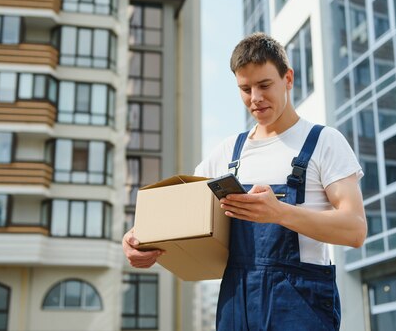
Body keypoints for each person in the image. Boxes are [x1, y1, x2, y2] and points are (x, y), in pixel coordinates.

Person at [122, 33, 367, 330]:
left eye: (264, 85)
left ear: (288, 78)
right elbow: (182, 212)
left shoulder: (324, 142)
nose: (255, 98)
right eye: (245, 88)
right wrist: (138, 237)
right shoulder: (228, 153)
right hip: (236, 303)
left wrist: (279, 213)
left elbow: (355, 230)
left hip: (300, 303)